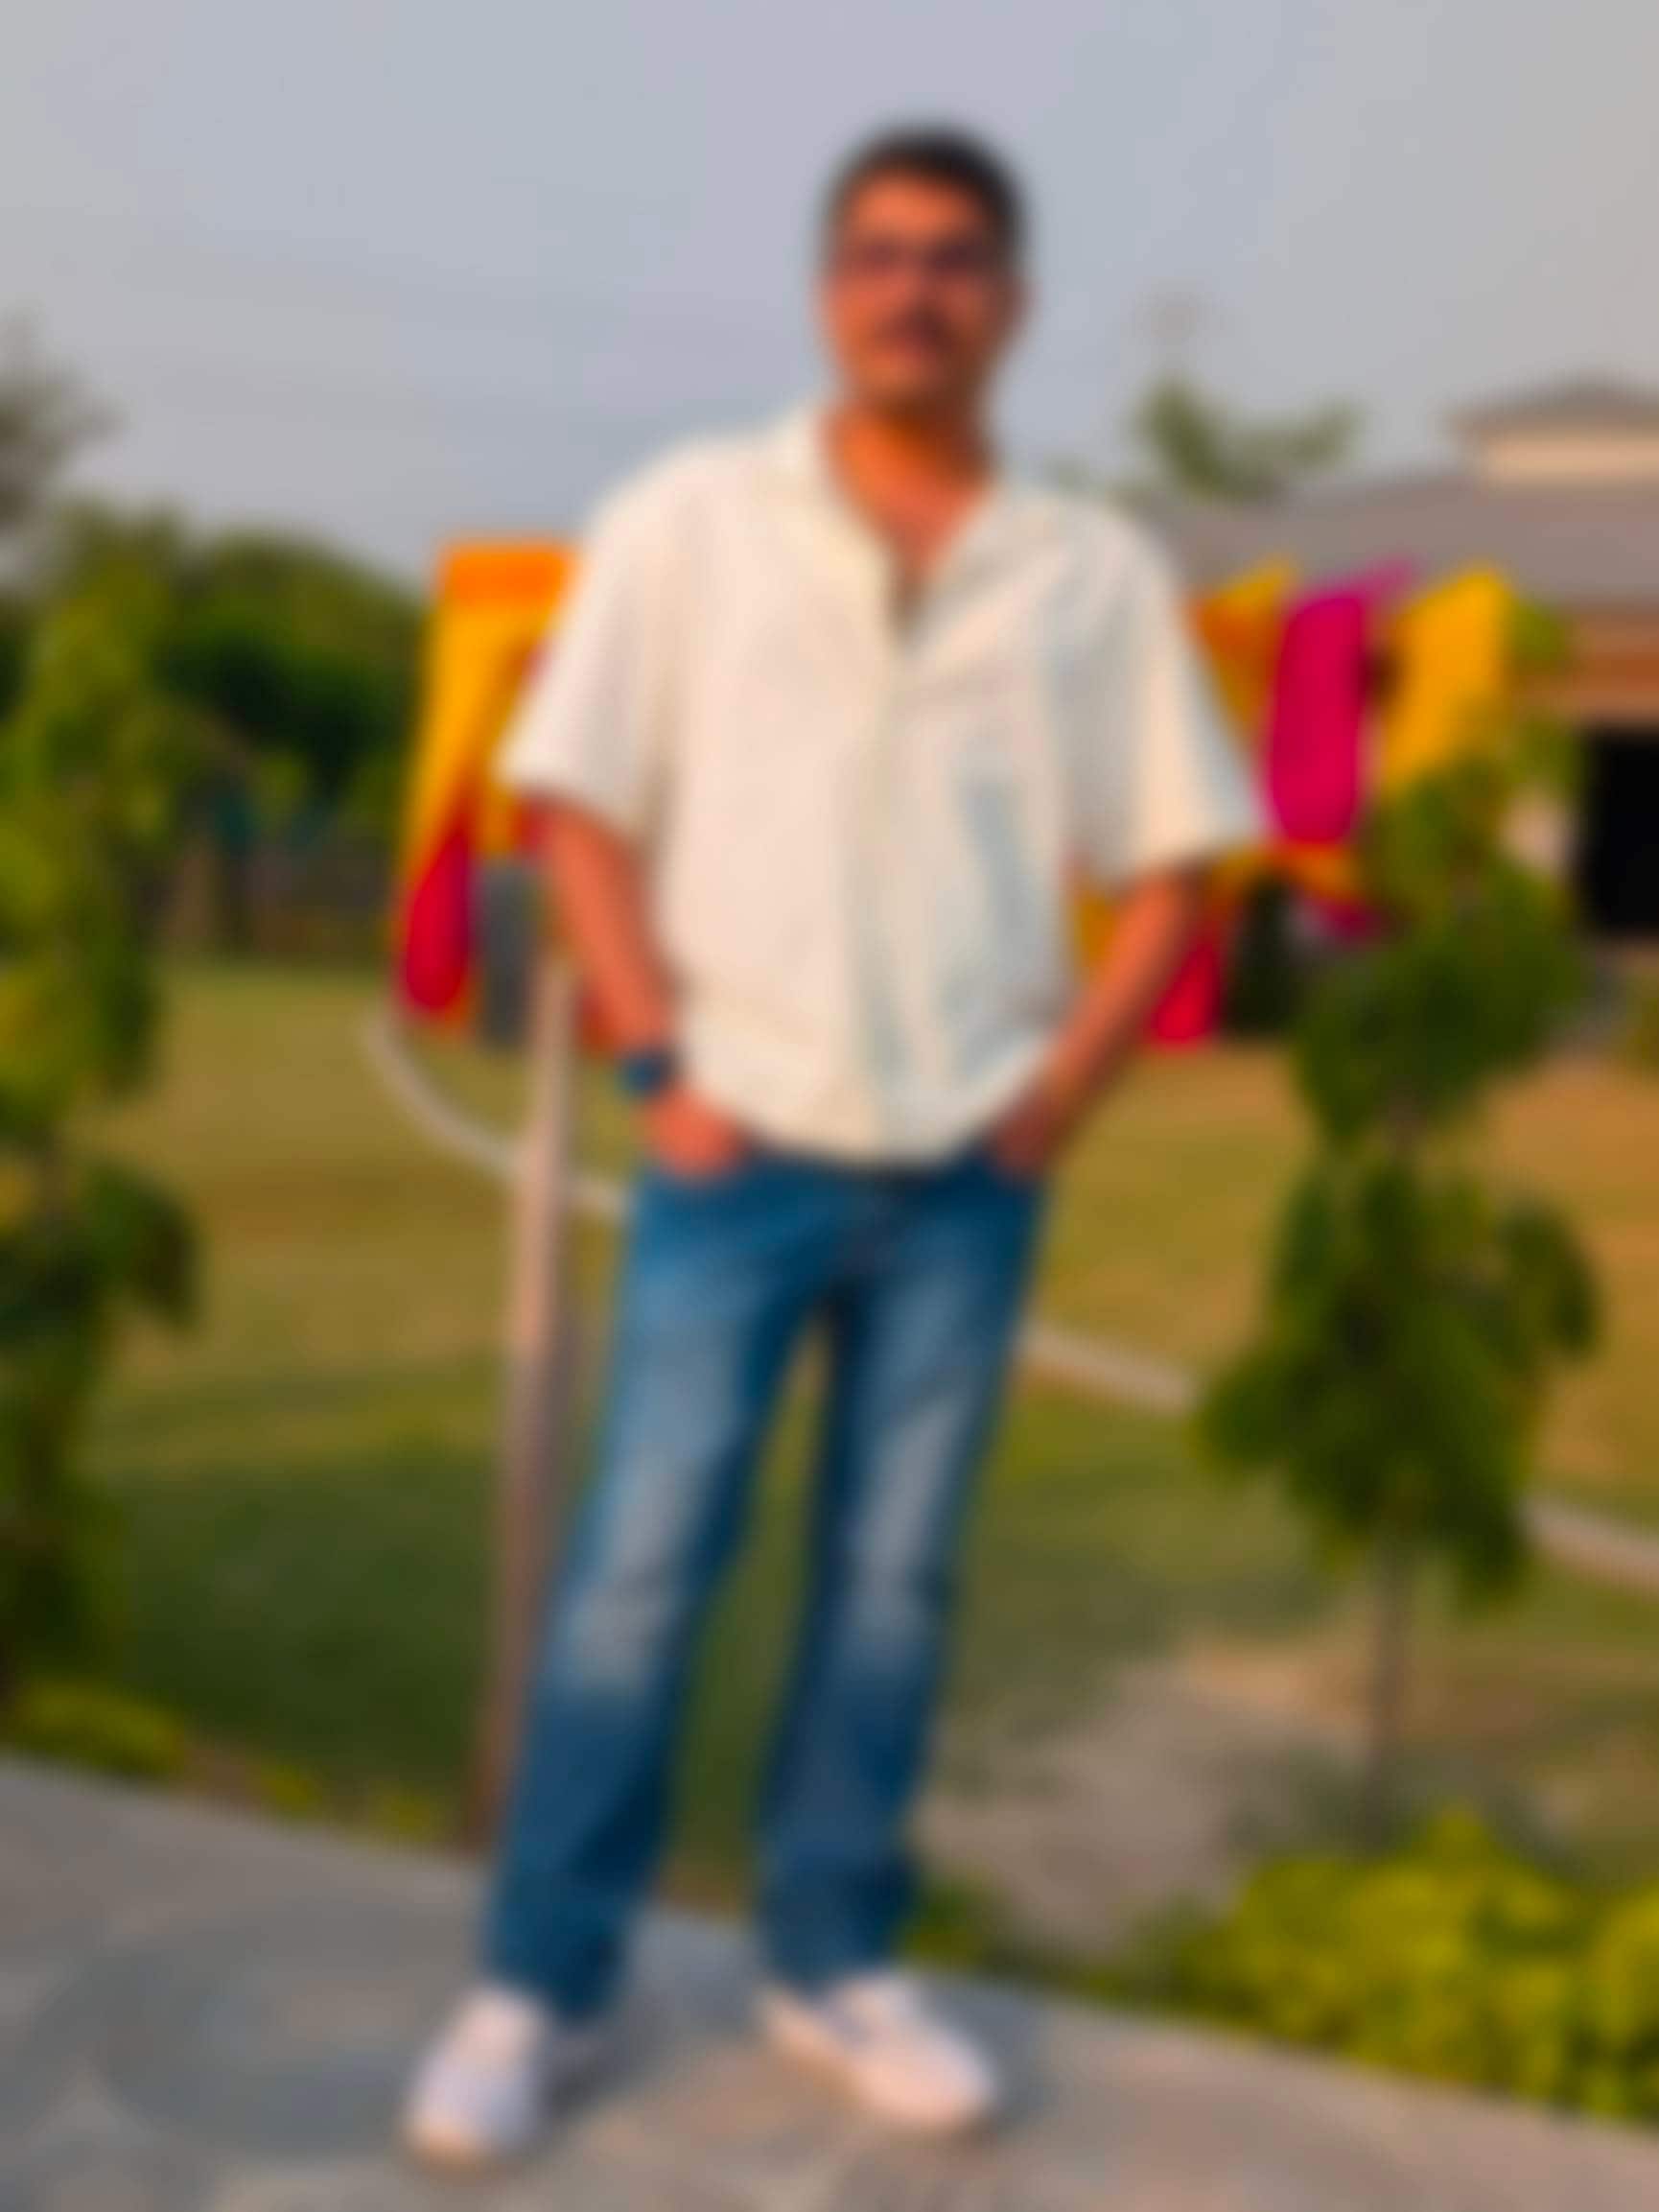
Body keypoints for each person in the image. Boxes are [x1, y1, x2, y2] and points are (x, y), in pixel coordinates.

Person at [405, 123, 1257, 2167]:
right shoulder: (691, 519)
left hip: (966, 1165)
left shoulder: (1086, 570)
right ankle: (542, 1979)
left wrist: (1061, 1092)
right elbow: (574, 805)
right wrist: (657, 1065)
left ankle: (831, 1956)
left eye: (953, 257)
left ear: (1011, 303)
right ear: (824, 291)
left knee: (890, 1585)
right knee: (635, 1579)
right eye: (875, 253)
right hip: (736, 1146)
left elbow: (1176, 862)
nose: (911, 288)